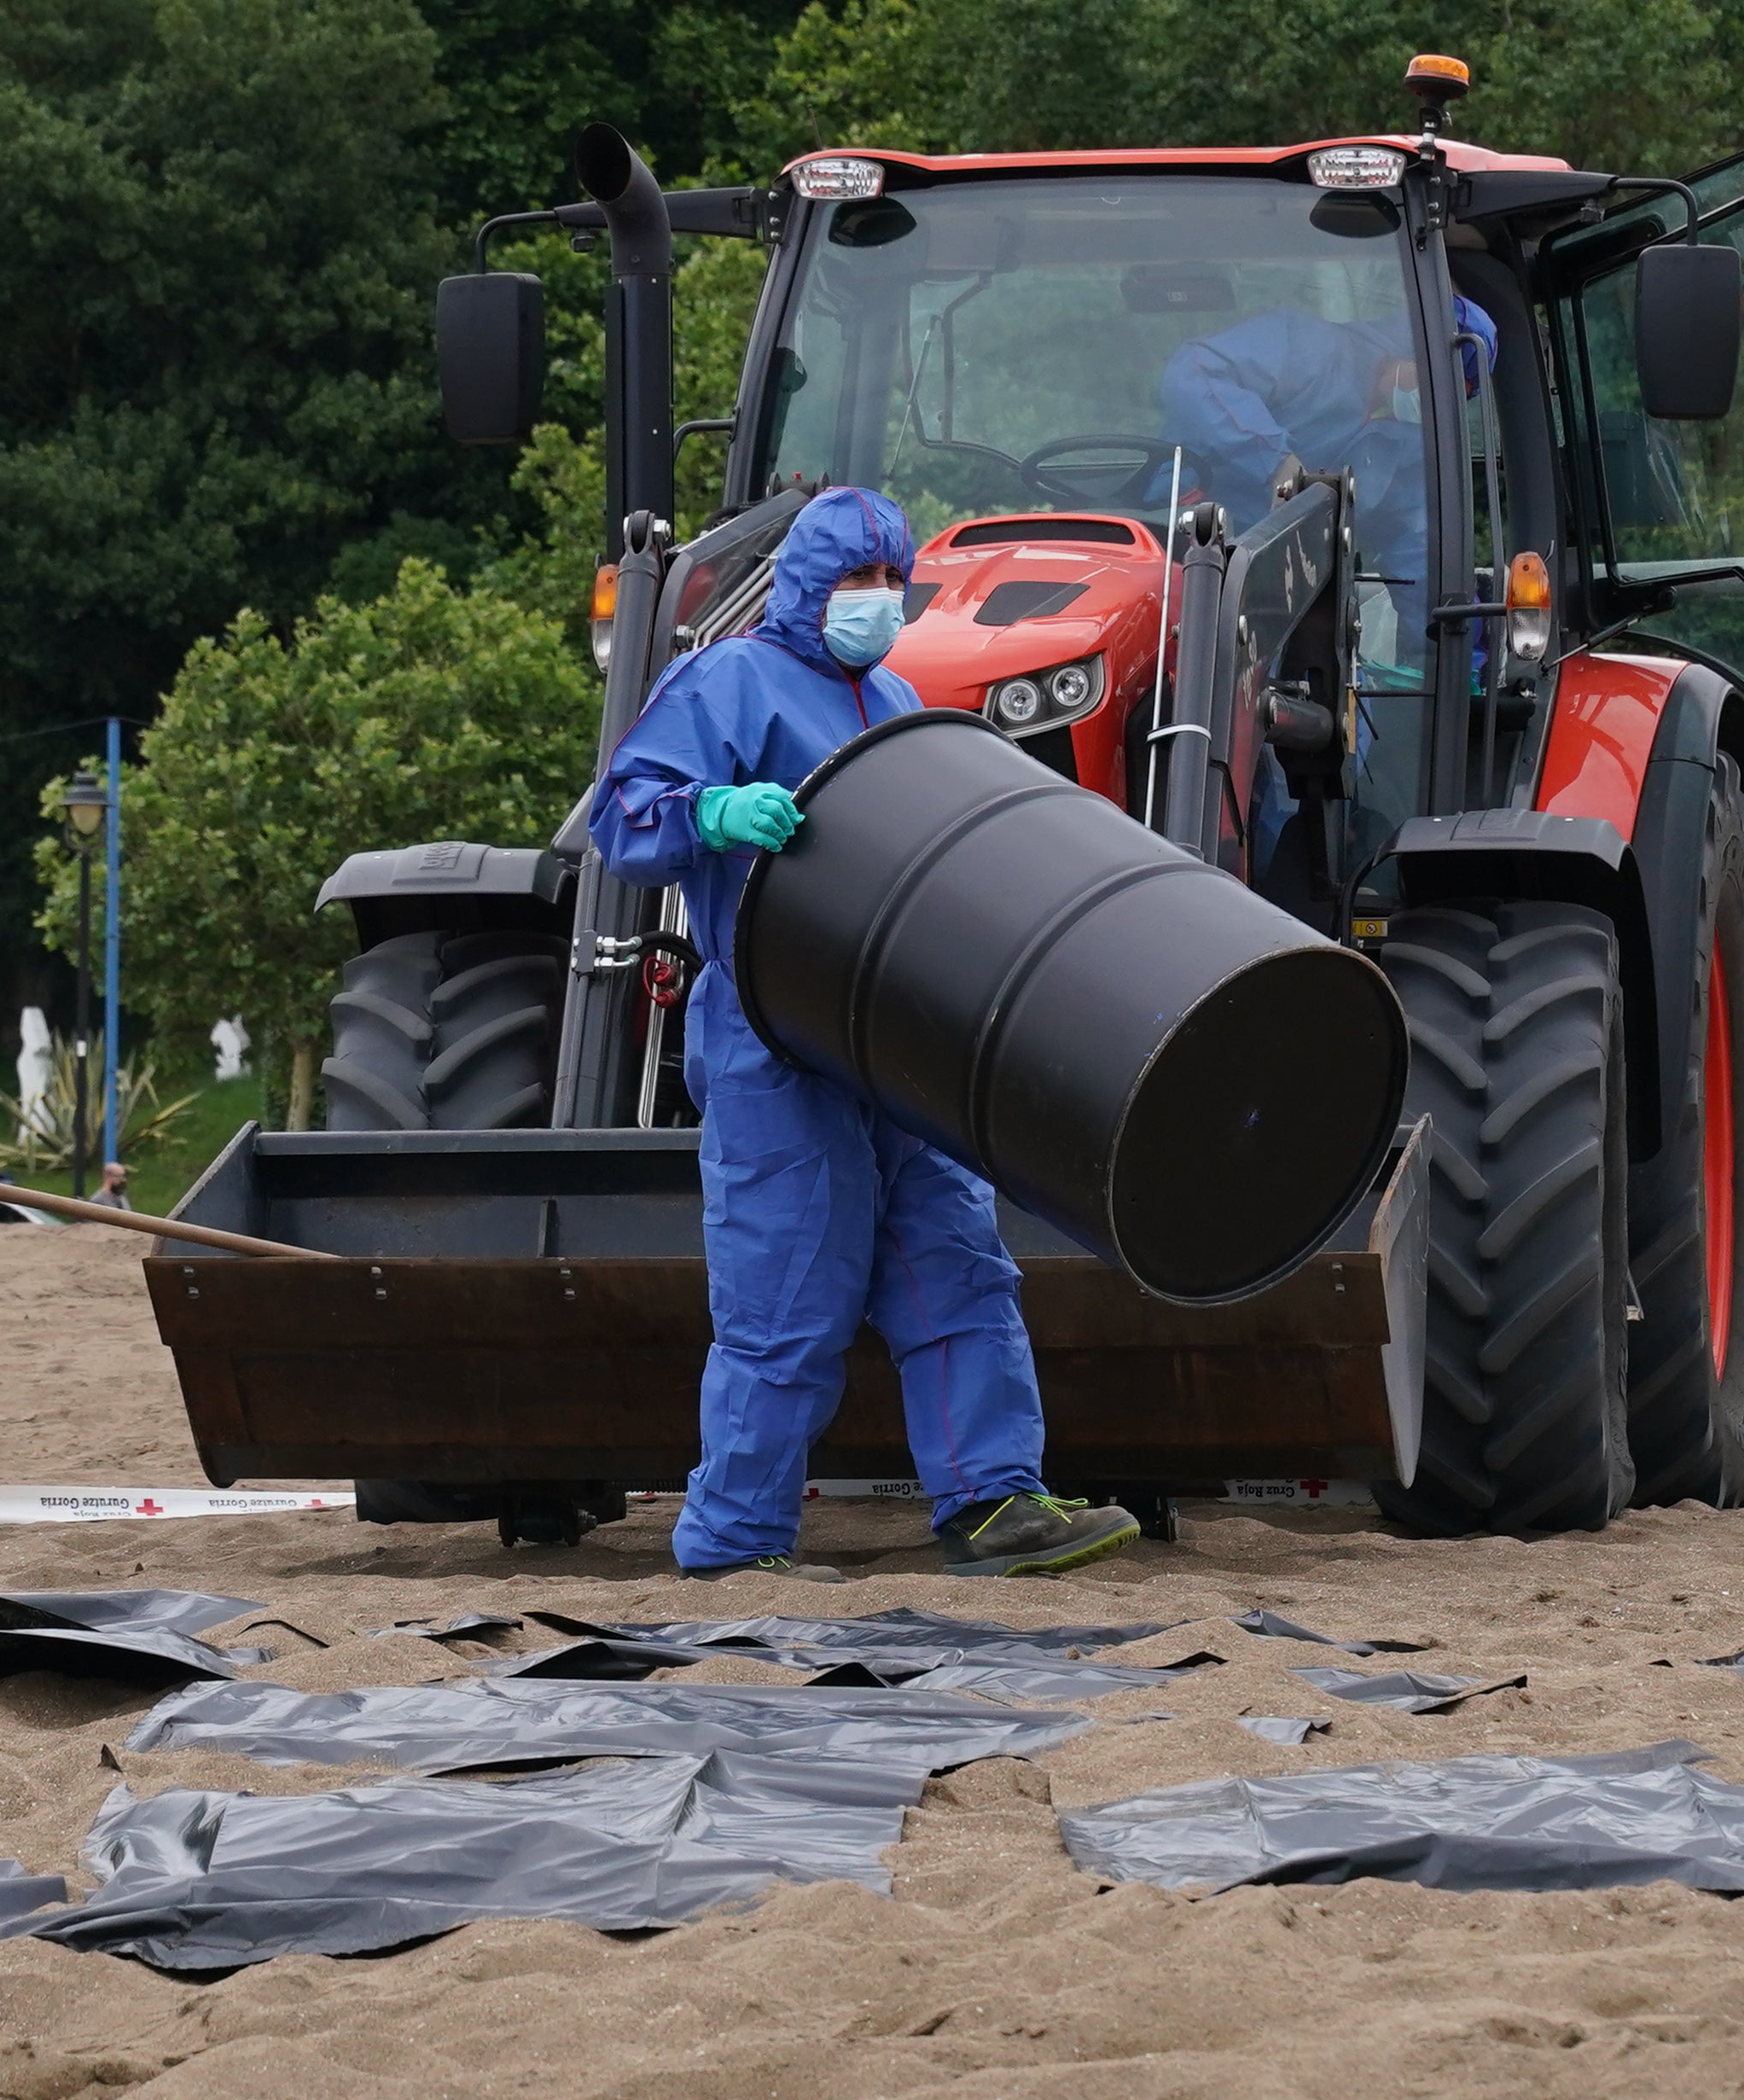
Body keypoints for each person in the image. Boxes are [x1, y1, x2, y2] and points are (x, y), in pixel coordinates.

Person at [588, 486, 1142, 1585]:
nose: (878, 601)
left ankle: (995, 1503)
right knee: (787, 1287)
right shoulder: (730, 679)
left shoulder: (893, 695)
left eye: (893, 581)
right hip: (777, 1039)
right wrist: (712, 813)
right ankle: (737, 1540)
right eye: (856, 580)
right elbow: (621, 814)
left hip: (896, 1035)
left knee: (956, 1263)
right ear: (802, 585)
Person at [1158, 297, 1502, 645]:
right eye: (1433, 388)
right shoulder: (1308, 350)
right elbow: (1193, 374)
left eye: (1448, 400)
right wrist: (1274, 460)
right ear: (1410, 350)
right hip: (1170, 544)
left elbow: (1419, 562)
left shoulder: (1405, 450)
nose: (1428, 406)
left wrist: (1462, 646)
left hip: (1264, 597)